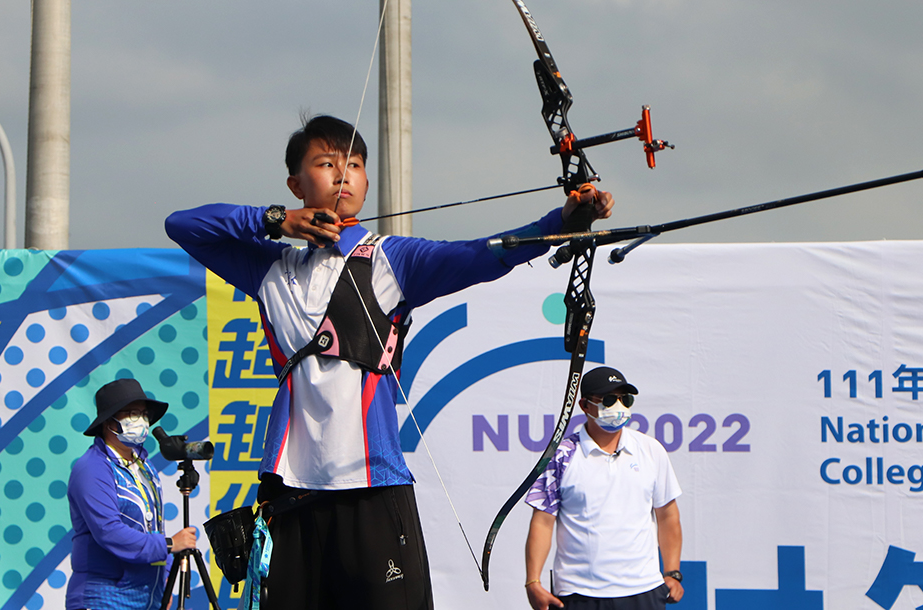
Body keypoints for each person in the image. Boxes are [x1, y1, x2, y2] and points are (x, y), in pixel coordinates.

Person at [164, 114, 615, 610]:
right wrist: (275, 221)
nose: (343, 175)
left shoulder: (391, 259)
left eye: (354, 165)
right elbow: (183, 225)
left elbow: (482, 255)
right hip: (290, 491)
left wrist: (562, 223)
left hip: (372, 486)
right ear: (296, 183)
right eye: (326, 163)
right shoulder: (270, 266)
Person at [524, 366, 683, 610]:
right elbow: (542, 521)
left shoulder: (651, 449)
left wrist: (672, 571)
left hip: (644, 590)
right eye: (609, 400)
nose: (618, 407)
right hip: (579, 593)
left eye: (625, 399)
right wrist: (533, 581)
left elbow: (667, 514)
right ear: (585, 406)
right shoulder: (561, 456)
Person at [66, 378, 199, 610]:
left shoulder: (144, 465)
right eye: (132, 413)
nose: (141, 421)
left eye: (144, 413)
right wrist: (168, 545)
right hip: (104, 599)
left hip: (147, 598)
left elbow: (154, 526)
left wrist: (165, 579)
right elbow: (108, 531)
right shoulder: (92, 468)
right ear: (109, 421)